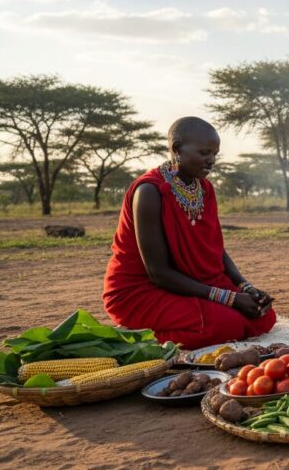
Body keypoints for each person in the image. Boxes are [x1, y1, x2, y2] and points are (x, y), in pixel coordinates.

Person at [103, 117, 276, 349]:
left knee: (263, 315)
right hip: (142, 290)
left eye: (215, 154)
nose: (212, 160)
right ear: (176, 149)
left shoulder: (204, 189)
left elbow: (216, 250)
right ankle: (139, 339)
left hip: (194, 281)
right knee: (229, 325)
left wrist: (245, 287)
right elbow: (158, 273)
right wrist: (230, 298)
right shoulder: (149, 192)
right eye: (205, 152)